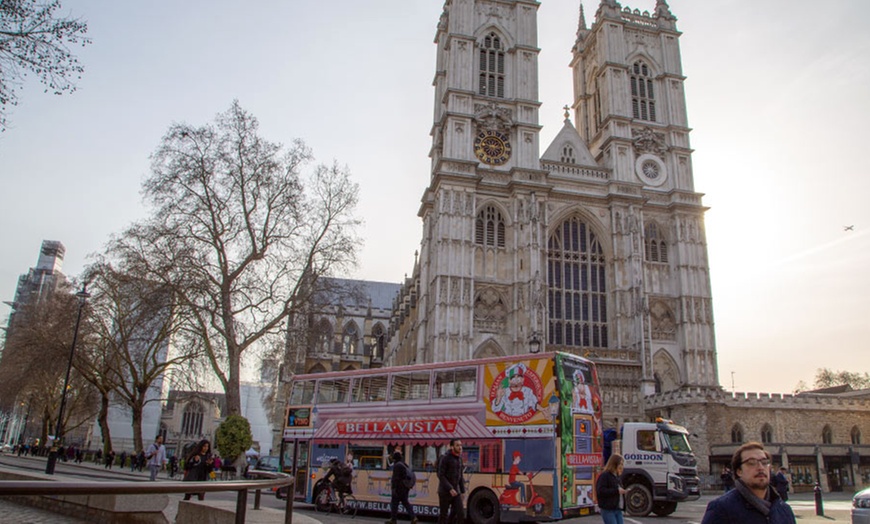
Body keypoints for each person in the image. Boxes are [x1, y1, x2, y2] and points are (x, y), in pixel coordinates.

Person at [701, 442, 796, 523]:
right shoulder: (721, 509)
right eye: (751, 462)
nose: (760, 467)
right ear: (739, 471)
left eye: (764, 462)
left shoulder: (784, 510)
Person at [437, 439, 465, 524]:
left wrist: (463, 491)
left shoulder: (459, 459)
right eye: (457, 445)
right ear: (452, 447)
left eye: (460, 445)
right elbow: (440, 475)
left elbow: (460, 476)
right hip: (445, 491)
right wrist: (450, 488)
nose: (460, 447)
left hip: (456, 491)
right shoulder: (445, 458)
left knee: (461, 513)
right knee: (443, 515)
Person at [386, 451, 417, 524]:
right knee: (406, 503)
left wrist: (393, 488)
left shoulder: (397, 466)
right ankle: (413, 517)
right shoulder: (404, 464)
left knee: (394, 504)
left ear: (394, 459)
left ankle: (393, 519)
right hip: (406, 487)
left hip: (398, 488)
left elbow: (395, 478)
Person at [595, 453, 626, 524]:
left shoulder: (617, 477)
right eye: (620, 464)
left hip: (617, 508)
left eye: (622, 464)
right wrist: (616, 491)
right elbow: (601, 491)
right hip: (608, 509)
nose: (622, 466)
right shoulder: (605, 476)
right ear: (614, 464)